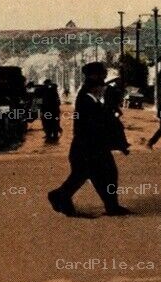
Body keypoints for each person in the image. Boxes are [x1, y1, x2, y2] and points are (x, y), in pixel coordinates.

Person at [48, 62, 132, 217]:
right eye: (101, 74)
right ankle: (60, 195)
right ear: (94, 76)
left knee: (99, 176)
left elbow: (106, 115)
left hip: (91, 147)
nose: (103, 77)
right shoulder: (87, 96)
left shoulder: (91, 92)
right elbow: (100, 120)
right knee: (99, 175)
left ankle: (110, 206)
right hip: (88, 148)